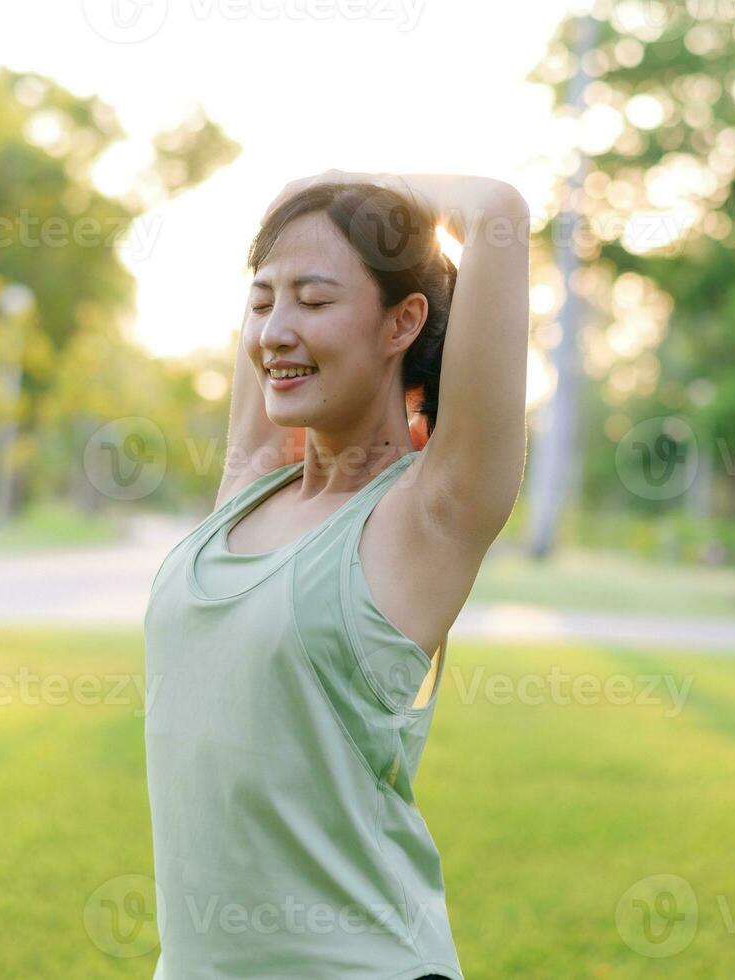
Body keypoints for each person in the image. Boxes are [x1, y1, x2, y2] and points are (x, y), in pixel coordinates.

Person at [143, 169, 530, 979]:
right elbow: (265, 331)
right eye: (262, 302)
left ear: (403, 322)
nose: (275, 331)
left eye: (313, 301)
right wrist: (297, 212)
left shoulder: (424, 518)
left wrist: (339, 185)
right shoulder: (251, 485)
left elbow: (496, 213)